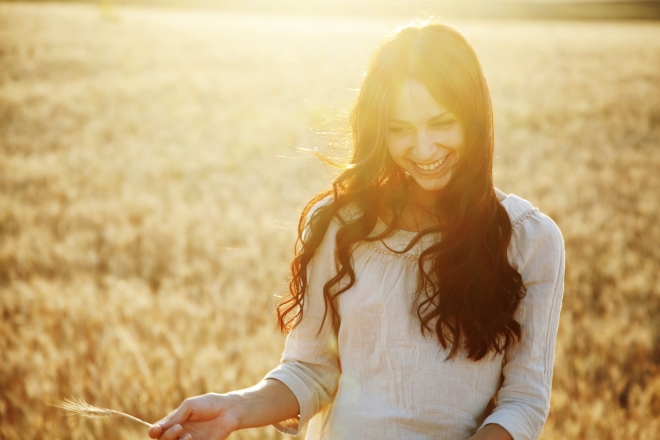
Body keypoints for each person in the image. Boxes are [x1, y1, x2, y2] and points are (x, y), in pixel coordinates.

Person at [148, 22, 564, 440]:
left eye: (441, 123)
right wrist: (235, 409)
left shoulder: (531, 242)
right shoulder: (339, 224)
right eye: (400, 129)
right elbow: (311, 370)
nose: (422, 149)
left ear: (474, 119)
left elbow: (523, 401)